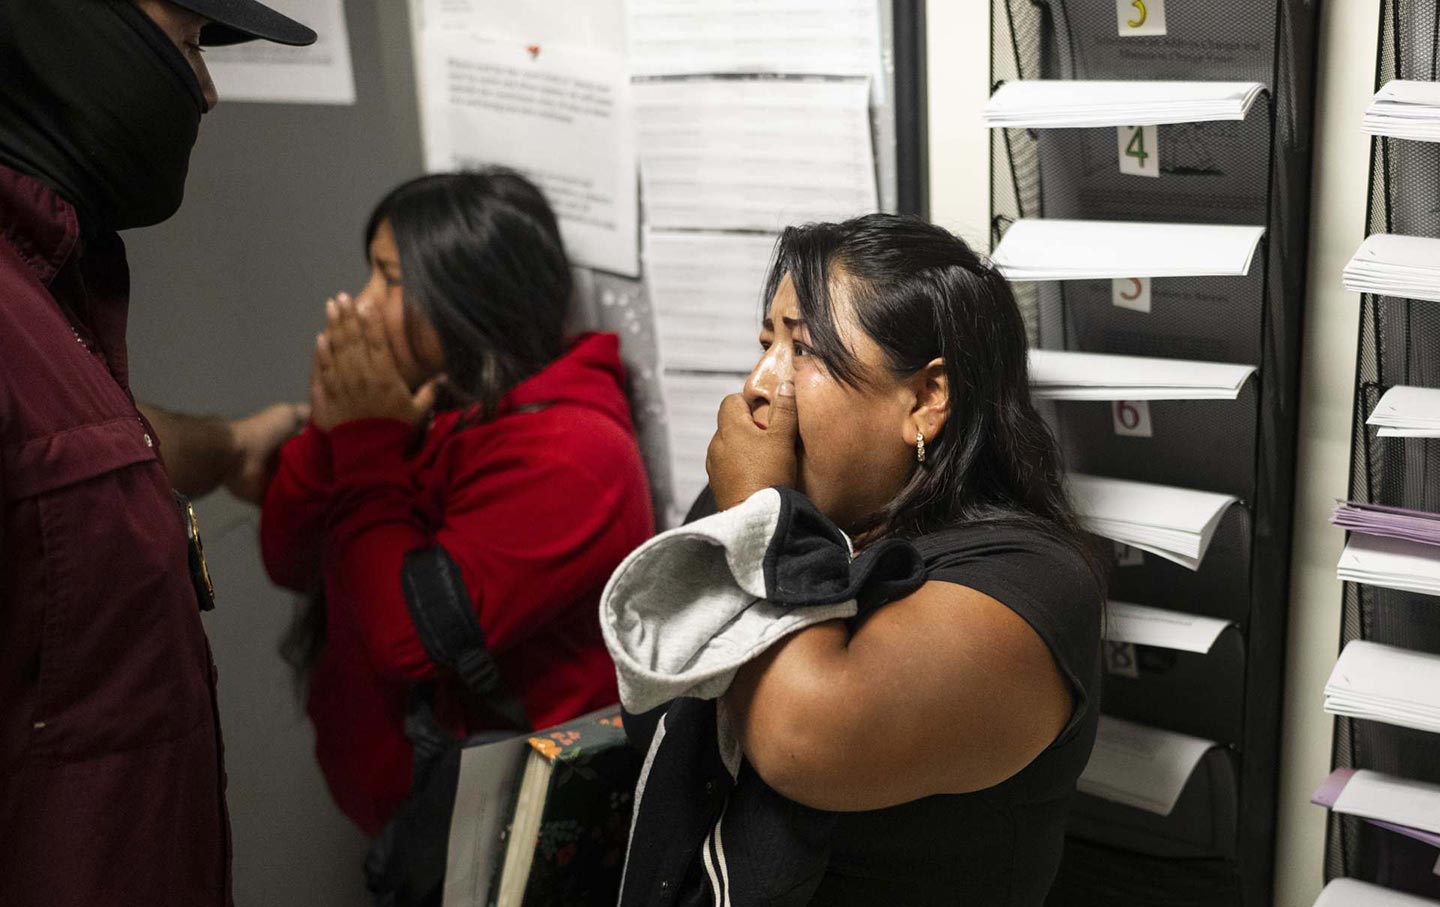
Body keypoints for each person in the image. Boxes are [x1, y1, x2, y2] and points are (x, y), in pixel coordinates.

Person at [621, 213, 1106, 905]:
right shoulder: (787, 507)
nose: (760, 384)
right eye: (765, 344)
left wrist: (756, 511)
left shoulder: (1030, 581)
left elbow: (802, 740)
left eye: (803, 352)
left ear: (926, 399)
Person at [0, 1, 317, 905]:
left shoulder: (45, 288)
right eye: (188, 47)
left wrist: (228, 445)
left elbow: (64, 448)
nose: (207, 93)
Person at [259, 169, 654, 838]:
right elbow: (292, 558)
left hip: (510, 837)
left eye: (389, 278)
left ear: (466, 298)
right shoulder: (428, 403)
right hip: (417, 821)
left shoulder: (570, 453)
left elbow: (406, 638)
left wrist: (363, 442)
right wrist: (330, 432)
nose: (360, 304)